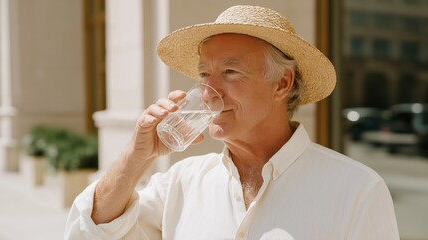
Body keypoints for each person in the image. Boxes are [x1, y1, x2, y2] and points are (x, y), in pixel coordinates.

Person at [65, 5, 399, 239]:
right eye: (204, 75)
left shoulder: (357, 190)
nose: (210, 92)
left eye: (230, 72)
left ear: (282, 84)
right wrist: (136, 157)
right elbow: (87, 234)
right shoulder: (182, 181)